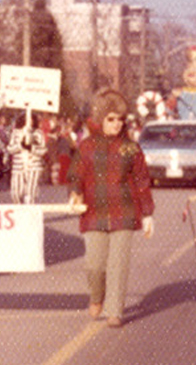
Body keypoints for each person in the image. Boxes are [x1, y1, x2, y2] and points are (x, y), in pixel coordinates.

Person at [66, 91, 154, 328]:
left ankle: (114, 310)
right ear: (101, 118)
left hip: (123, 212)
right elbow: (75, 175)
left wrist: (147, 214)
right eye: (111, 119)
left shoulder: (129, 148)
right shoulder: (86, 147)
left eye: (120, 119)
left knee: (118, 263)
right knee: (94, 265)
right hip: (94, 212)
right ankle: (97, 296)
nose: (117, 124)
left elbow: (142, 180)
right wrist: (75, 192)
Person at [10, 120, 49, 205]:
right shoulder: (15, 133)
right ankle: (19, 210)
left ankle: (29, 213)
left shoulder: (38, 133)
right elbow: (10, 149)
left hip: (33, 167)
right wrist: (20, 146)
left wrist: (32, 148)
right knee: (16, 193)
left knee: (30, 193)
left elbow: (43, 150)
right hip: (18, 167)